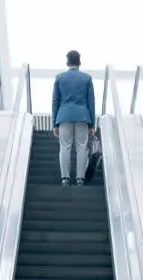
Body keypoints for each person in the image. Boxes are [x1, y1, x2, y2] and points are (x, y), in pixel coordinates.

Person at [52, 50, 96, 187]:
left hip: (64, 116)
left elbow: (55, 101)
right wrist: (92, 124)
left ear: (67, 63)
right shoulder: (87, 78)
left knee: (64, 147)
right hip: (83, 116)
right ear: (79, 63)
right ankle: (80, 179)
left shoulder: (59, 78)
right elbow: (91, 102)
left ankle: (65, 178)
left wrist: (55, 123)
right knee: (82, 147)